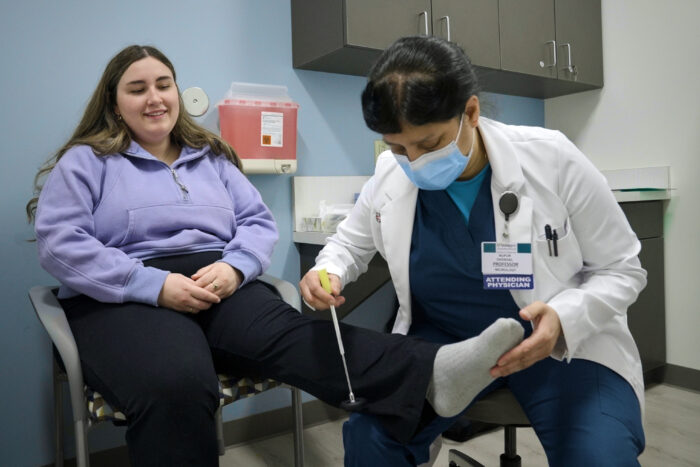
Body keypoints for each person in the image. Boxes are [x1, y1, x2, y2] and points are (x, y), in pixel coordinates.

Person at [27, 44, 526, 466]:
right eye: (137, 89)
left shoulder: (212, 157)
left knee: (300, 336)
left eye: (164, 84)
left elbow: (257, 224)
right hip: (125, 293)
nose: (155, 97)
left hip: (217, 278)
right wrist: (153, 285)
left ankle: (435, 371)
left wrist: (235, 267)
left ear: (177, 93)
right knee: (177, 383)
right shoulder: (87, 162)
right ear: (115, 105)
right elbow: (60, 243)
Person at [300, 35, 647, 467]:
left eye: (428, 144)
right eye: (397, 147)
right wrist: (327, 271)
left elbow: (622, 269)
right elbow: (348, 244)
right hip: (444, 349)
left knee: (599, 457)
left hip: (559, 345)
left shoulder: (551, 158)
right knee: (371, 439)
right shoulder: (391, 175)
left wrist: (564, 318)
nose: (414, 161)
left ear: (470, 112)